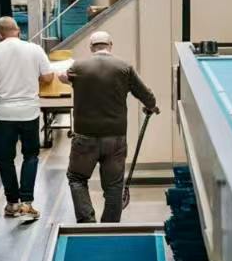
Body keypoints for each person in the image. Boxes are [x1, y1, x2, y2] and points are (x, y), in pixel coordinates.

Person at [59, 31, 159, 223]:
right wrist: (151, 105)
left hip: (85, 137)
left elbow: (62, 77)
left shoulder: (78, 66)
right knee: (113, 186)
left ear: (91, 47)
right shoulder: (124, 67)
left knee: (77, 178)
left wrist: (67, 78)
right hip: (115, 138)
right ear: (110, 45)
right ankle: (110, 225)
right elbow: (147, 96)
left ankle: (87, 222)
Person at [0, 16, 54, 219]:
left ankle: (12, 203)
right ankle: (27, 202)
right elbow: (48, 77)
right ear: (18, 30)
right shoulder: (35, 49)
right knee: (30, 156)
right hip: (28, 112)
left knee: (6, 159)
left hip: (3, 114)